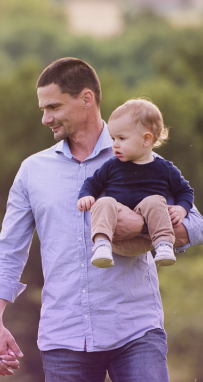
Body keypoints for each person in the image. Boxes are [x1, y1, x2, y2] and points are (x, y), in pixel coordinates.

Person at [0, 58, 203, 382]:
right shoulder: (33, 171)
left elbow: (197, 226)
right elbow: (9, 248)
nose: (45, 118)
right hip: (64, 332)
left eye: (53, 107)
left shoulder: (145, 158)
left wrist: (145, 229)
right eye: (43, 109)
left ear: (87, 100)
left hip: (134, 325)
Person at [77, 98, 195, 269]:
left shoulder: (164, 168)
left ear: (146, 139)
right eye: (112, 138)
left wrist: (182, 208)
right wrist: (86, 195)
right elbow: (92, 183)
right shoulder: (112, 165)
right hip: (116, 237)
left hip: (149, 241)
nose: (114, 145)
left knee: (155, 200)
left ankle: (164, 245)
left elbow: (185, 191)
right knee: (104, 202)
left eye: (122, 138)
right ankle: (101, 245)